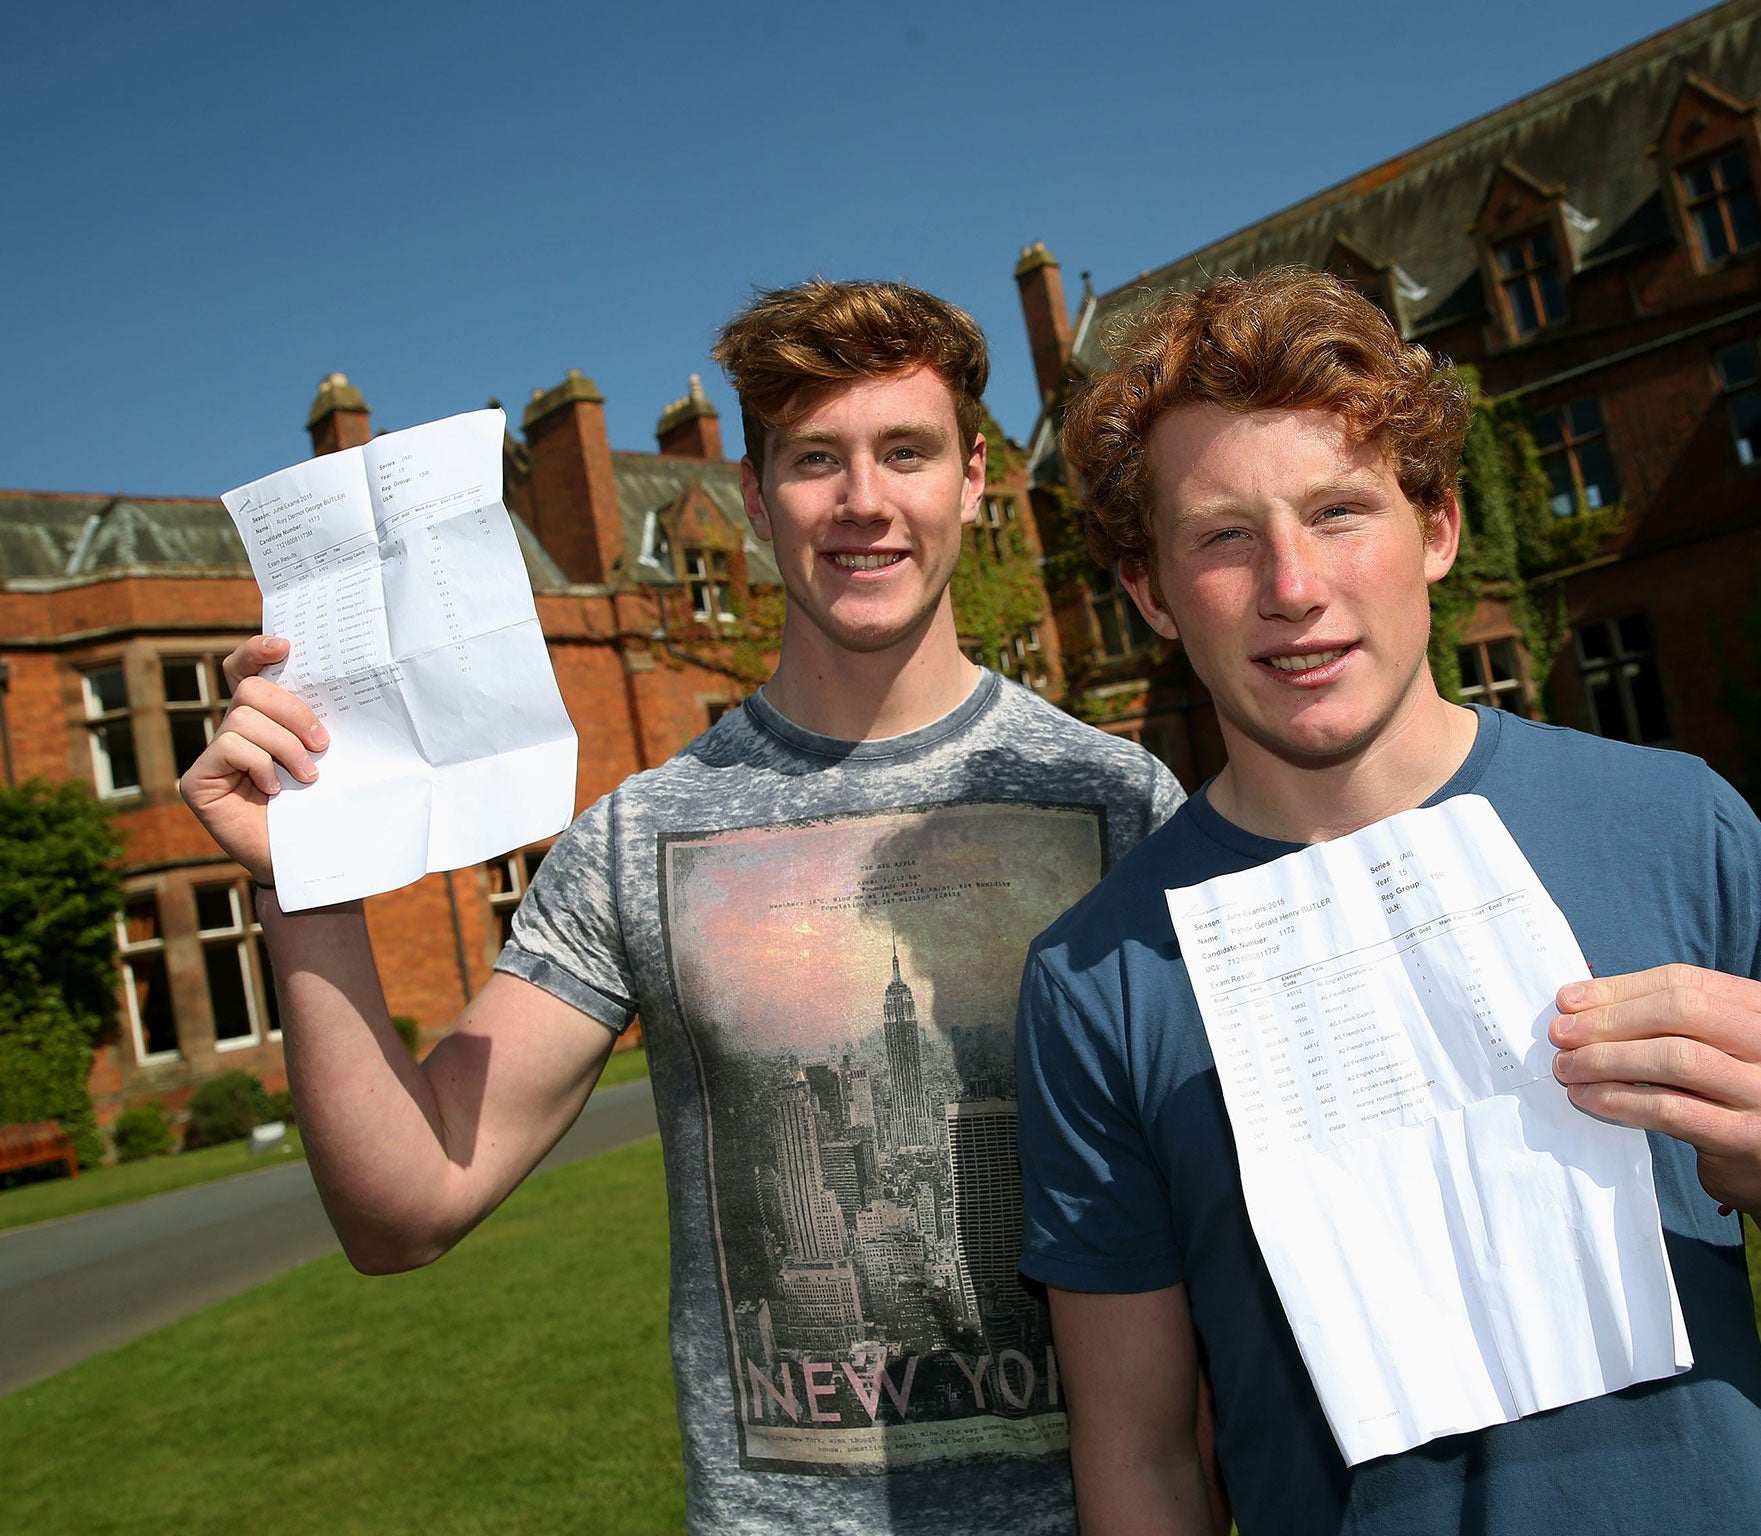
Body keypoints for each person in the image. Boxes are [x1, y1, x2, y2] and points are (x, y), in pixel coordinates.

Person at [179, 279, 1185, 1535]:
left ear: (972, 478)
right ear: (755, 499)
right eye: (816, 459)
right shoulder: (634, 837)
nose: (863, 501)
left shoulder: (1118, 799)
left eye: (906, 452)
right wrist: (297, 878)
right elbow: (406, 1207)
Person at [1012, 267, 1761, 1535]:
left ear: (1440, 529)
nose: (1292, 587)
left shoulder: (1668, 821)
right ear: (1148, 593)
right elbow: (1140, 1460)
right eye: (1222, 536)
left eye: (1340, 511)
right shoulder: (1096, 976)